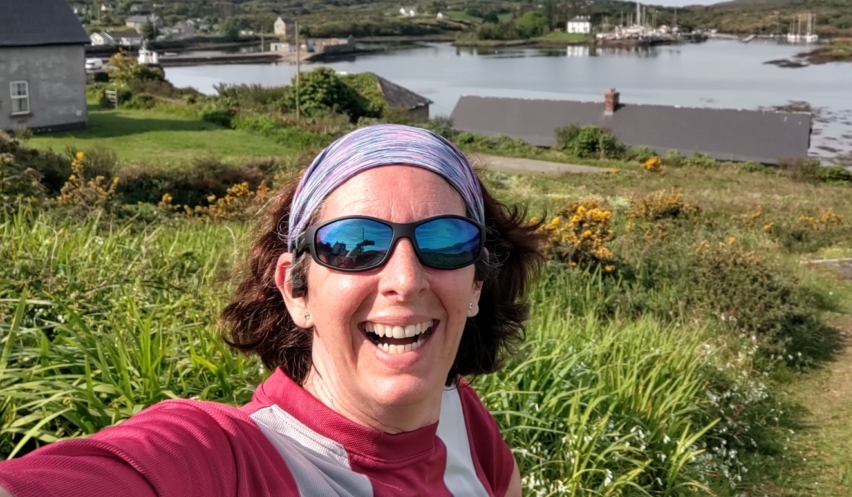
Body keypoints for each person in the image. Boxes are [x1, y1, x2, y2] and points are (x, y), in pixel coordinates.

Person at [0, 124, 546, 497]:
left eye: (447, 241)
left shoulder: (463, 420)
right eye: (353, 244)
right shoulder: (231, 461)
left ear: (476, 283)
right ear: (296, 290)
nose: (405, 279)